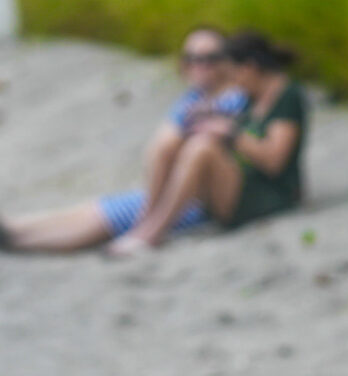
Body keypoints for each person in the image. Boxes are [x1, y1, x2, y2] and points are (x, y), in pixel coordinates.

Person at [0, 27, 252, 253]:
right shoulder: (194, 99)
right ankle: (8, 228)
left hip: (193, 200)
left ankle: (13, 239)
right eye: (192, 60)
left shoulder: (235, 100)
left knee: (105, 219)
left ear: (227, 62)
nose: (200, 66)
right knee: (95, 209)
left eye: (210, 59)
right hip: (168, 191)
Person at [104, 31, 308, 254]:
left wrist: (231, 133)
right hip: (243, 185)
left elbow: (274, 161)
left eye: (234, 76)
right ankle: (146, 224)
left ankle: (153, 233)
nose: (233, 85)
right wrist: (210, 115)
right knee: (178, 143)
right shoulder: (254, 97)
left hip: (273, 196)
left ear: (249, 68)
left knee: (202, 148)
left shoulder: (287, 97)